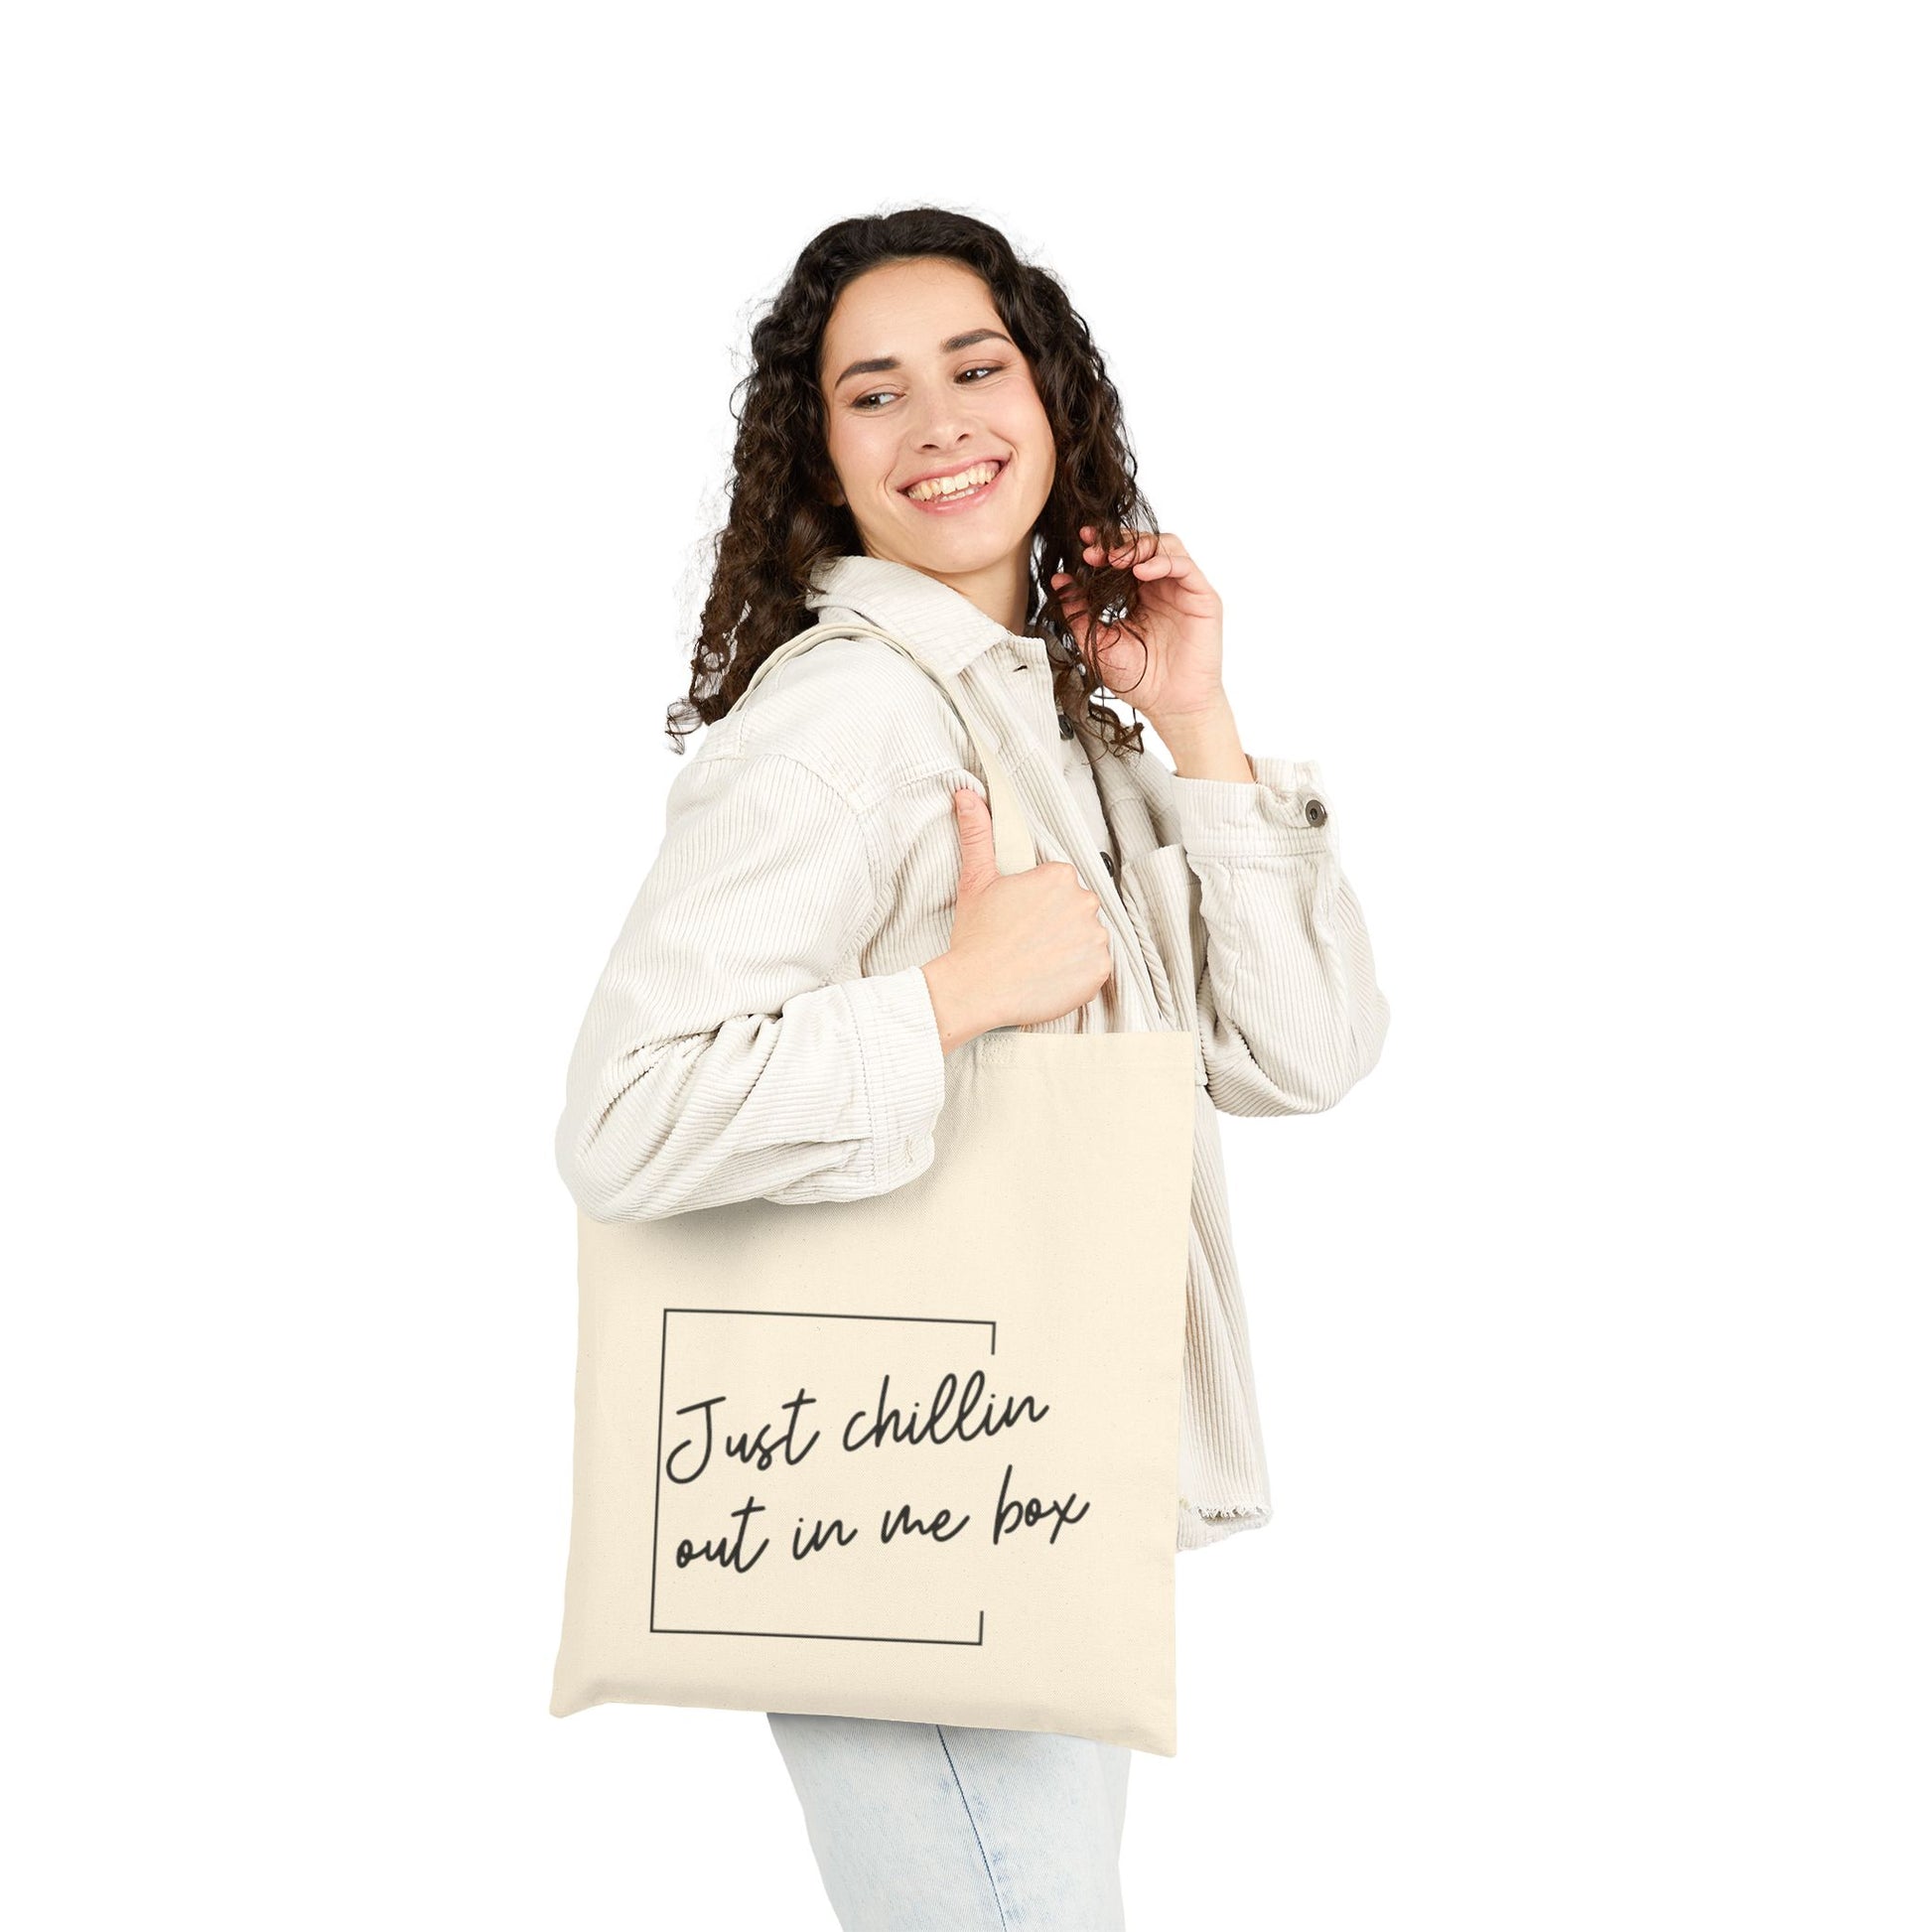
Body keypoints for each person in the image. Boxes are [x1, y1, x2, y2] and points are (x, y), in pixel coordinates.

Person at [554, 206, 1391, 1930]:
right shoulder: (845, 720)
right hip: (894, 1485)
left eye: (975, 365)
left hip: (1028, 1466)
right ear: (824, 464)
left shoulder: (1045, 721)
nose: (937, 419)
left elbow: (1302, 1056)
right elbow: (623, 1118)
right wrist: (948, 998)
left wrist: (1201, 728)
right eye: (873, 393)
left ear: (1053, 402)